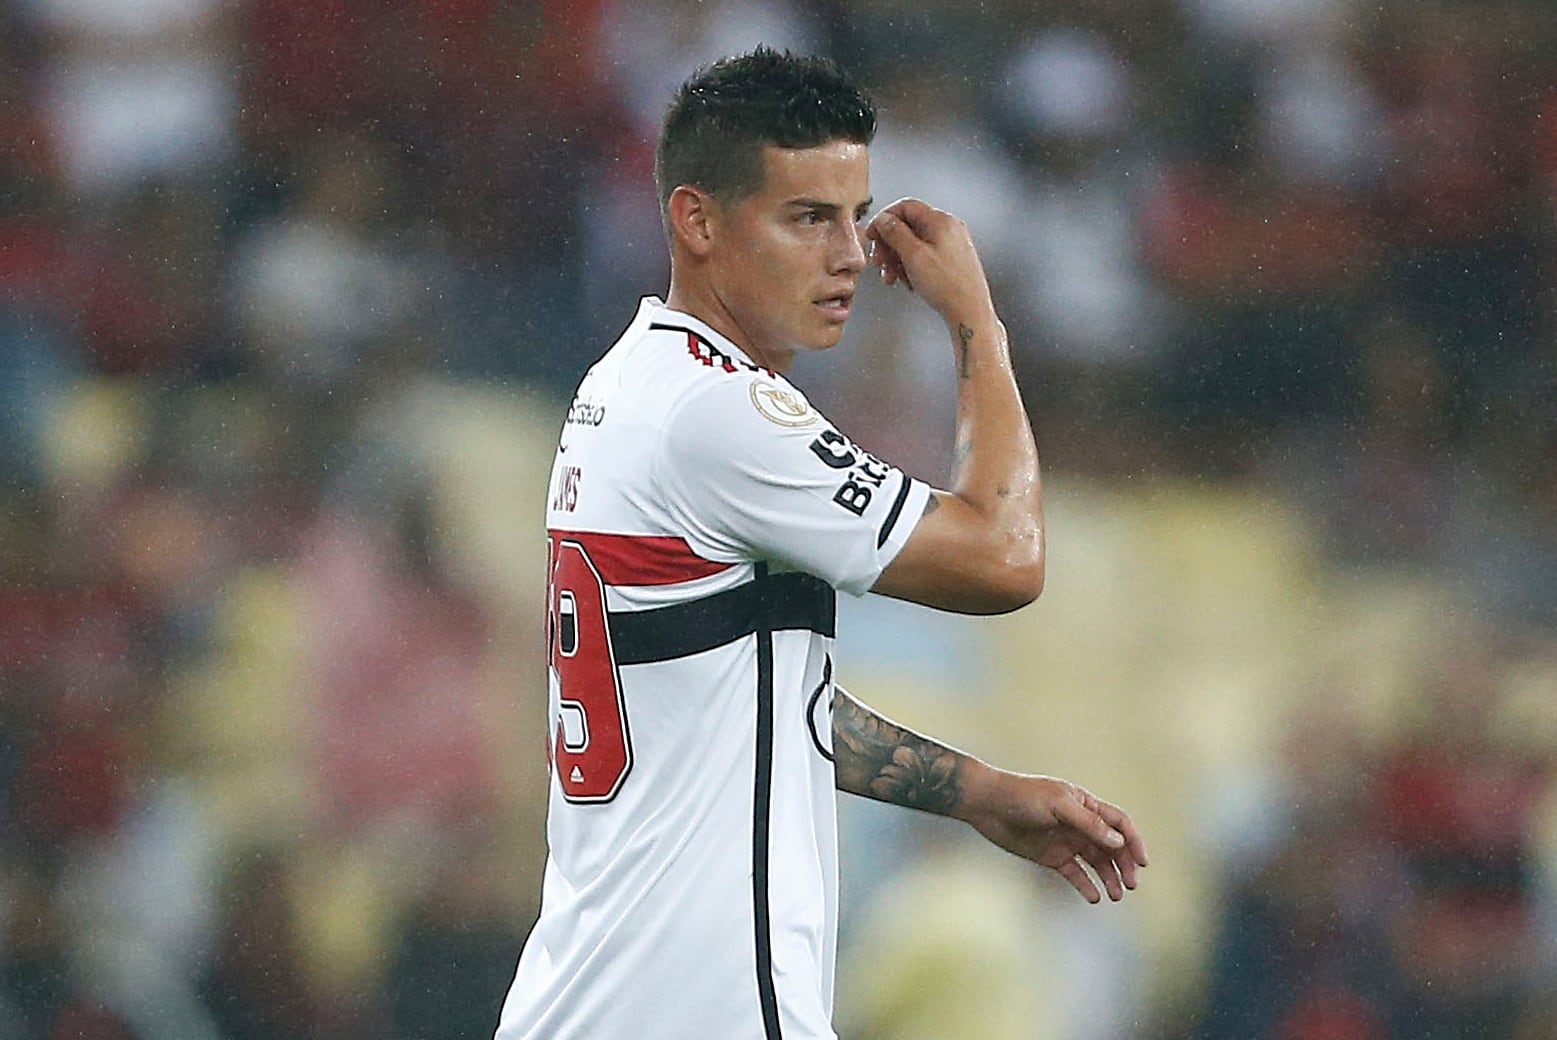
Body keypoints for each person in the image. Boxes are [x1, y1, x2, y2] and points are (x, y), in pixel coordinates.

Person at [494, 47, 1148, 1040]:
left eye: (857, 214)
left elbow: (747, 695)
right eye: (808, 217)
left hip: (597, 996)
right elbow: (1004, 556)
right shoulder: (724, 413)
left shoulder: (624, 387)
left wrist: (977, 792)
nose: (850, 255)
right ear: (697, 219)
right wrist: (978, 323)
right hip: (701, 1008)